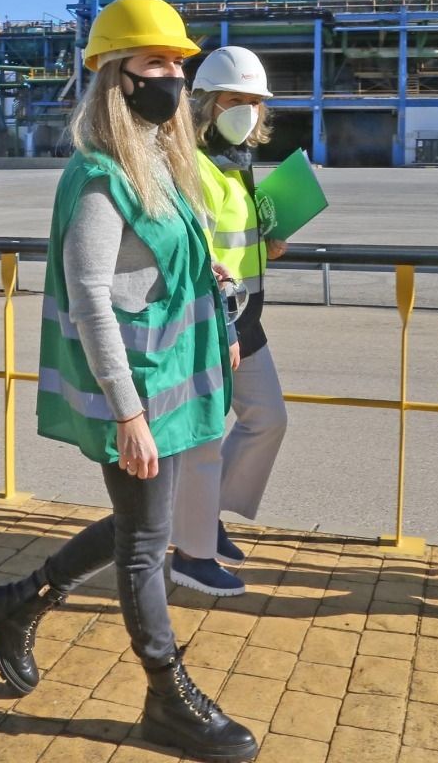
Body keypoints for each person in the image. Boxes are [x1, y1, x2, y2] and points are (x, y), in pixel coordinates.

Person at [0, 0, 258, 762]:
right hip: (135, 386)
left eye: (177, 64)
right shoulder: (99, 175)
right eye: (156, 63)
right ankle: (168, 697)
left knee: (144, 526)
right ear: (115, 77)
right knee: (145, 548)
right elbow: (89, 292)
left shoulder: (158, 159)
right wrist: (127, 414)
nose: (173, 76)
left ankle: (15, 604)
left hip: (170, 374)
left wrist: (215, 307)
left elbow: (169, 258)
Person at [168, 46, 290, 597]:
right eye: (234, 100)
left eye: (254, 102)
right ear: (205, 104)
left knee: (267, 418)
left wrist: (270, 238)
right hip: (212, 320)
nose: (247, 111)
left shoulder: (237, 162)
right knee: (200, 441)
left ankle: (205, 516)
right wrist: (219, 320)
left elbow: (233, 240)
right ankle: (190, 552)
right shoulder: (192, 163)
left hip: (246, 319)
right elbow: (194, 251)